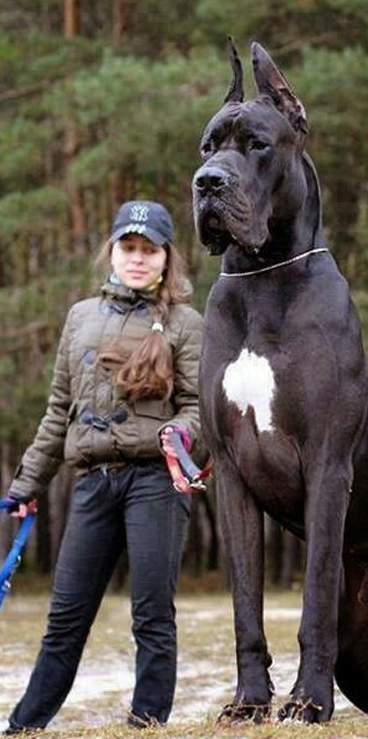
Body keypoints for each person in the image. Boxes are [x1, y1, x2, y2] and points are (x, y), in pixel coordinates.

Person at [2, 200, 204, 734]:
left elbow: (198, 407)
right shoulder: (80, 317)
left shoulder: (186, 324)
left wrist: (180, 434)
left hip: (155, 483)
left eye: (149, 250)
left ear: (166, 258)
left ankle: (147, 723)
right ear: (112, 251)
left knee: (152, 615)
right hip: (93, 483)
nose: (137, 258)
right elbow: (56, 413)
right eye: (128, 247)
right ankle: (24, 725)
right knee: (65, 617)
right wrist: (26, 484)